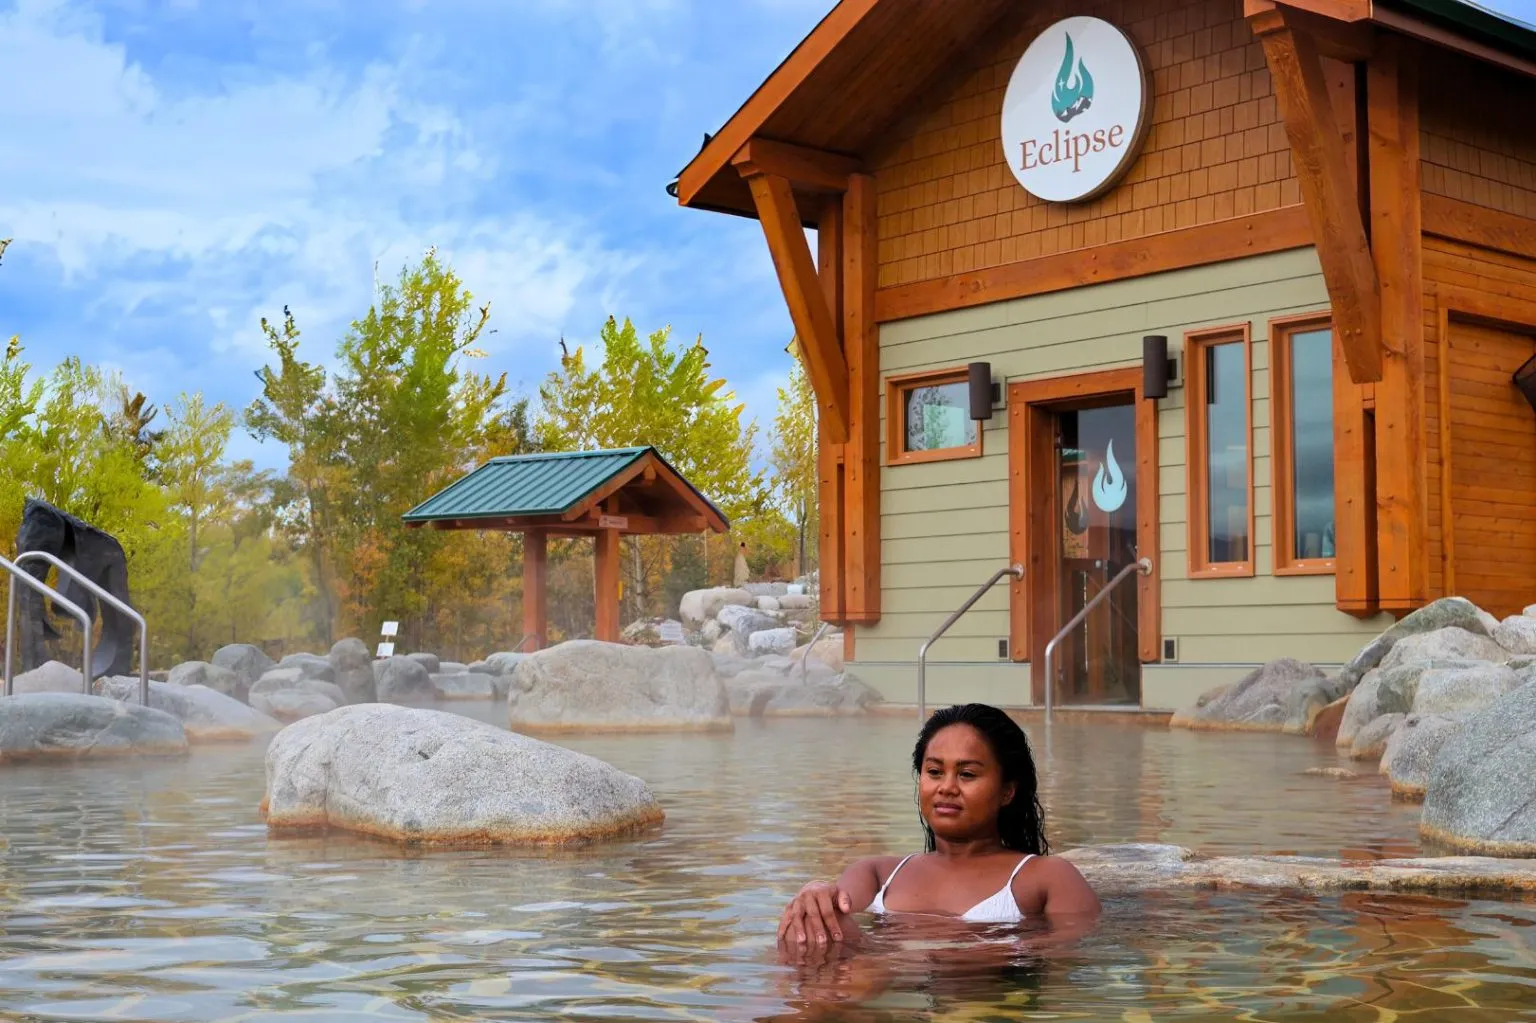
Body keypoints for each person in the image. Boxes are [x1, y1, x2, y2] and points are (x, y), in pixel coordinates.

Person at [777, 703, 1100, 946]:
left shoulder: (1046, 878)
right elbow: (834, 935)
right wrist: (815, 896)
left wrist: (905, 958)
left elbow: (1064, 964)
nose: (946, 787)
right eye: (934, 772)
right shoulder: (876, 874)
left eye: (967, 774)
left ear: (1007, 791)